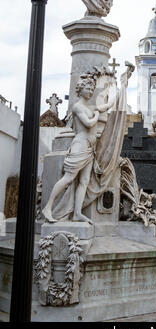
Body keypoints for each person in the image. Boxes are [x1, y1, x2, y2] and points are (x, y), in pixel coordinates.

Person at [42, 75, 115, 224]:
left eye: (92, 89)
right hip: (80, 145)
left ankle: (77, 213)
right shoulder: (77, 107)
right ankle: (48, 208)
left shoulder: (90, 107)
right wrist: (96, 115)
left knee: (84, 181)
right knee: (69, 177)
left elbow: (107, 106)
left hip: (89, 148)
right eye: (87, 89)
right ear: (80, 90)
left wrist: (118, 89)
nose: (90, 91)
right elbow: (88, 123)